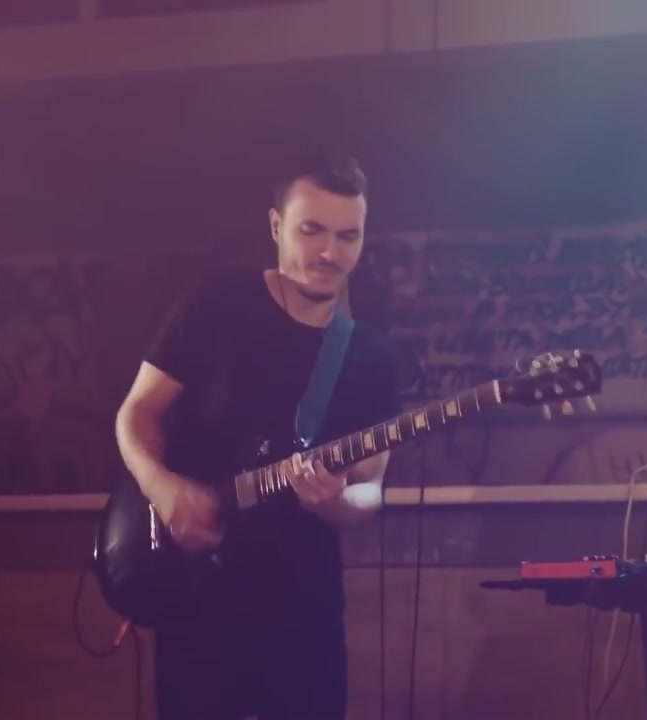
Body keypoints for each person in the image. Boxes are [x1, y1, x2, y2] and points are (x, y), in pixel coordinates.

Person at [113, 152, 401, 720]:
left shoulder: (371, 357)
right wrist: (163, 489)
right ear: (275, 226)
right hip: (199, 600)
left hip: (304, 613)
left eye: (348, 236)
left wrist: (336, 502)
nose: (330, 252)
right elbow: (136, 413)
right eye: (312, 230)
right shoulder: (216, 303)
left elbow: (371, 488)